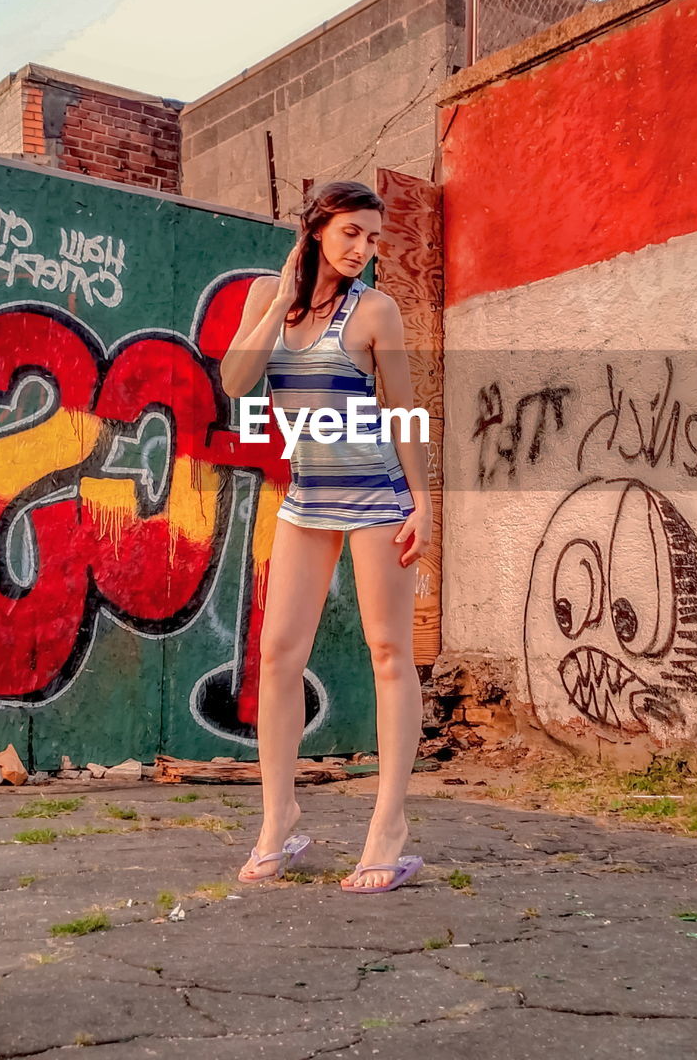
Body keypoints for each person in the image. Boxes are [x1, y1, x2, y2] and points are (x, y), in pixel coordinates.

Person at [219, 179, 431, 893]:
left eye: (373, 238)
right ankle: (279, 821)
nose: (364, 250)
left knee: (390, 654)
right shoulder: (265, 301)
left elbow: (403, 410)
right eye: (351, 233)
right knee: (277, 657)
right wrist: (280, 302)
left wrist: (424, 502)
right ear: (315, 229)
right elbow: (235, 381)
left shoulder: (376, 311)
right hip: (307, 497)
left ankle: (389, 827)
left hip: (376, 494)